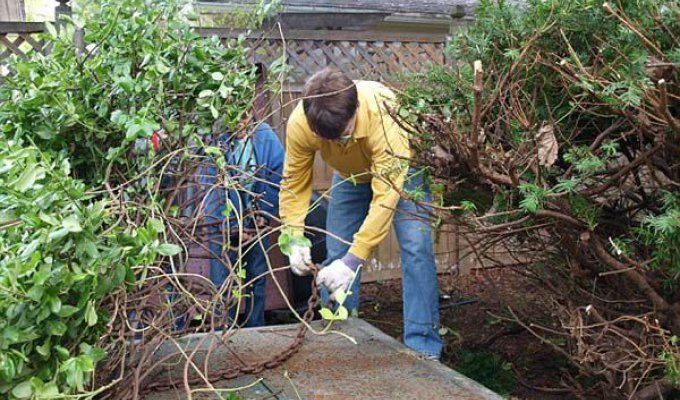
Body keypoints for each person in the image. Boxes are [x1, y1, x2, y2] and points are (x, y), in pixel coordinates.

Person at [279, 67, 442, 358]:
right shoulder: (300, 124)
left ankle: (423, 347)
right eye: (328, 140)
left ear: (355, 109)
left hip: (402, 174)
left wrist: (354, 260)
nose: (337, 144)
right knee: (335, 251)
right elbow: (294, 182)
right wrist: (292, 237)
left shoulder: (382, 111)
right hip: (351, 175)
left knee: (416, 250)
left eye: (343, 135)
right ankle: (340, 337)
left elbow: (385, 197)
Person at [200, 112, 284, 328]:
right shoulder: (215, 139)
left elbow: (278, 175)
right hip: (223, 222)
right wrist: (230, 226)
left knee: (257, 276)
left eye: (245, 115)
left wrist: (263, 216)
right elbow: (210, 185)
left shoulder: (264, 135)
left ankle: (255, 327)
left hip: (256, 219)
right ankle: (222, 328)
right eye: (236, 115)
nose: (240, 119)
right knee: (222, 279)